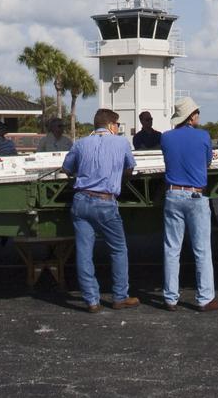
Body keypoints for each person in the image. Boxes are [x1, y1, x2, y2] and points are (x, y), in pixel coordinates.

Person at [60, 108, 138, 313]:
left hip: (81, 200)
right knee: (118, 249)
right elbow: (130, 168)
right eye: (118, 125)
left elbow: (66, 168)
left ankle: (91, 300)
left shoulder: (80, 143)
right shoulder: (121, 143)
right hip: (105, 201)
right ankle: (119, 297)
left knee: (84, 252)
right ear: (112, 125)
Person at [160, 97, 218, 312]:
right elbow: (207, 162)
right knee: (202, 250)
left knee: (171, 249)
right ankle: (204, 298)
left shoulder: (166, 138)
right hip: (195, 196)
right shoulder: (203, 136)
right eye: (197, 113)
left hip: (173, 194)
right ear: (192, 116)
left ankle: (170, 298)